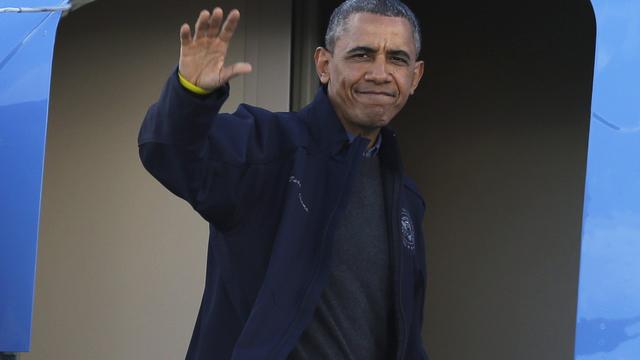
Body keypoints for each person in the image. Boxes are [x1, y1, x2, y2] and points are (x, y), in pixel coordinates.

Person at [138, 0, 427, 358]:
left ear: (414, 77)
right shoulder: (268, 146)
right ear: (324, 65)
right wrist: (190, 96)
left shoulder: (405, 199)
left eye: (397, 59)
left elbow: (406, 338)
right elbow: (168, 151)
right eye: (361, 55)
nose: (380, 73)